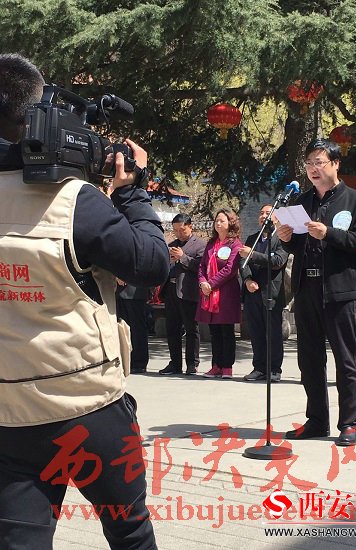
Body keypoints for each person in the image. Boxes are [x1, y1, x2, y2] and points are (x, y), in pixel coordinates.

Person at [0, 53, 169, 549]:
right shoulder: (75, 200)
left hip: (10, 410)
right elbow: (151, 263)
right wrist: (132, 193)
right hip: (89, 403)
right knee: (129, 530)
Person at [277, 138, 356, 446]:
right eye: (309, 164)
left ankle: (350, 424)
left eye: (319, 162)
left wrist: (328, 233)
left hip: (339, 291)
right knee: (309, 359)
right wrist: (287, 238)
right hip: (307, 288)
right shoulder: (301, 202)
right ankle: (317, 421)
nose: (313, 169)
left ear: (335, 164)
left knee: (345, 359)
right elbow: (298, 246)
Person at [239, 205, 288, 382]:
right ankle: (259, 368)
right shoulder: (253, 238)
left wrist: (252, 255)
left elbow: (278, 261)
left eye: (268, 213)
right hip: (252, 292)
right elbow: (242, 261)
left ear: (276, 218)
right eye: (261, 213)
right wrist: (247, 280)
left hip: (271, 293)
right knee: (256, 332)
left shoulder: (282, 238)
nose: (263, 216)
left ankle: (274, 369)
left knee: (273, 334)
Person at [196, 209, 243, 379]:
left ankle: (227, 367)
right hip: (209, 293)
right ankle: (216, 365)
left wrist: (211, 283)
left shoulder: (235, 244)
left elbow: (230, 269)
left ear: (230, 223)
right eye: (216, 220)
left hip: (226, 294)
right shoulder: (211, 243)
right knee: (214, 331)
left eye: (222, 220)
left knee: (226, 330)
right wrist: (203, 282)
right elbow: (202, 266)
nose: (218, 223)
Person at [158, 213, 206, 375]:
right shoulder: (171, 245)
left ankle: (192, 363)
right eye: (176, 230)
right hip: (170, 291)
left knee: (191, 329)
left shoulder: (200, 245)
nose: (179, 233)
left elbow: (201, 267)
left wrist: (182, 258)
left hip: (188, 291)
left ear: (190, 227)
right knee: (172, 329)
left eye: (182, 230)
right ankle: (175, 363)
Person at [116, 281, 150, 373]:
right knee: (120, 328)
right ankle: (124, 360)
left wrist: (123, 276)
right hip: (116, 290)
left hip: (135, 290)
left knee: (137, 329)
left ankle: (139, 363)